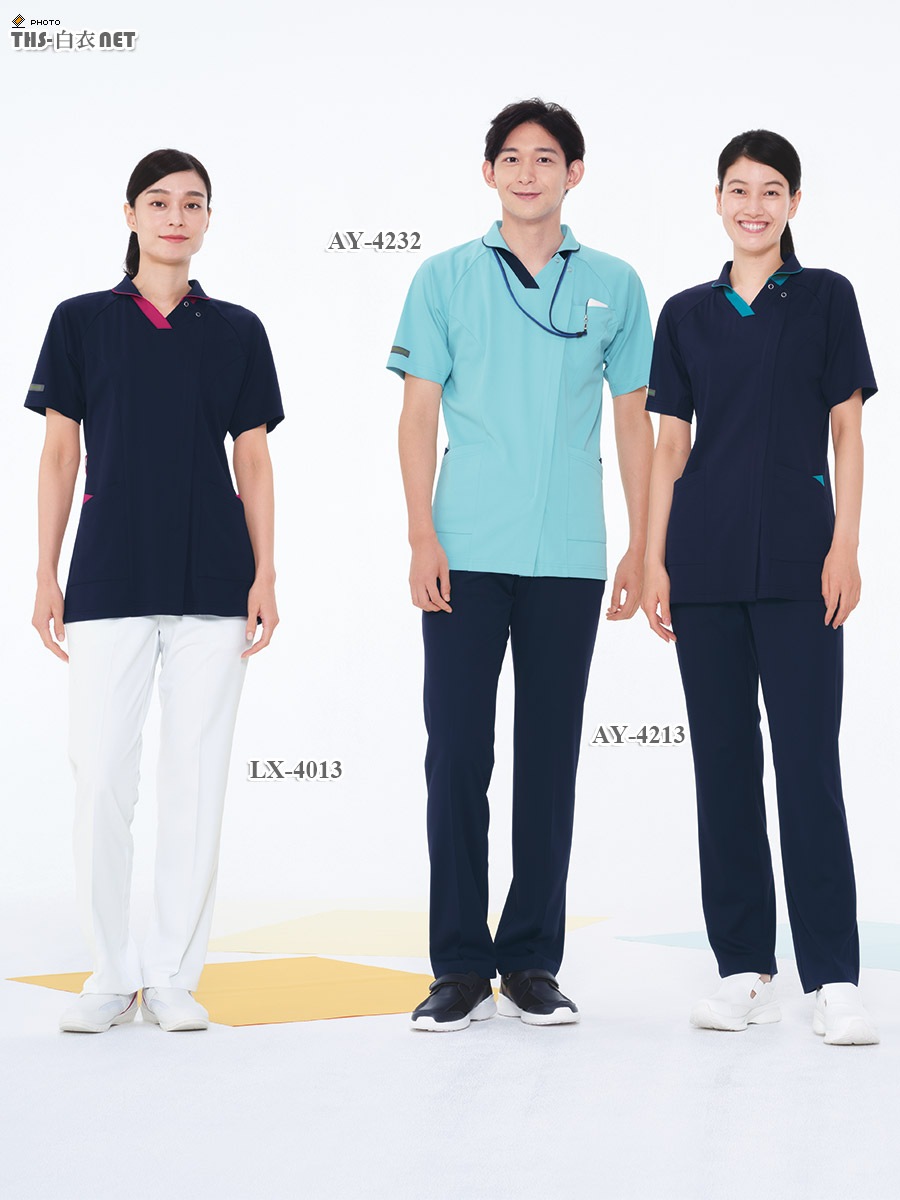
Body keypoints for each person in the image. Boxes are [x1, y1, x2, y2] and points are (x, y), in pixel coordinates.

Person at [387, 99, 653, 1031]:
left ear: (574, 173)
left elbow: (634, 423)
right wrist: (421, 535)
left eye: (546, 158)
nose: (528, 172)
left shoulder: (616, 284)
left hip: (569, 554)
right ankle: (459, 966)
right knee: (459, 753)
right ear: (489, 172)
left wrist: (643, 541)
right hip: (464, 548)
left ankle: (533, 961)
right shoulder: (443, 278)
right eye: (511, 157)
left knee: (548, 757)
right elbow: (417, 415)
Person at [26, 148, 284, 1034]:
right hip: (107, 573)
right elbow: (59, 454)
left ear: (209, 220)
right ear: (131, 214)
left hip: (215, 574)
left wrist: (265, 572)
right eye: (161, 202)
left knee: (196, 778)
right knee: (101, 773)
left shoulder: (238, 329)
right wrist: (44, 571)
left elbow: (253, 458)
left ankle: (172, 975)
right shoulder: (81, 322)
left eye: (194, 203)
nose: (178, 217)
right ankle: (110, 972)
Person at [642, 130, 879, 1045]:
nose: (754, 205)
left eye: (771, 190)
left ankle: (834, 979)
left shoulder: (826, 298)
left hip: (799, 562)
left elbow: (847, 431)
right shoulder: (685, 314)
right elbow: (671, 444)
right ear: (717, 200)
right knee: (724, 767)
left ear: (794, 203)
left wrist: (845, 544)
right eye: (738, 189)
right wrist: (653, 556)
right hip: (702, 566)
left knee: (808, 763)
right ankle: (745, 969)